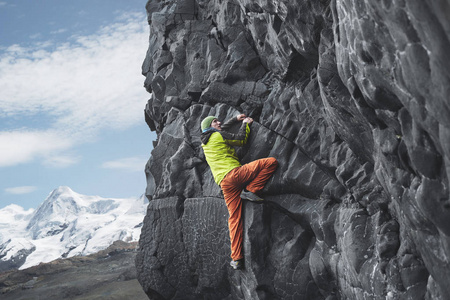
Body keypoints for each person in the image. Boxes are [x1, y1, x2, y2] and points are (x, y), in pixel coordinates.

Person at [201, 114, 278, 270]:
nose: (219, 122)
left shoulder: (206, 142)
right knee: (271, 162)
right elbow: (241, 139)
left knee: (234, 219)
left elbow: (222, 129)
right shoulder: (218, 135)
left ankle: (236, 258)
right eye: (216, 121)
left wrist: (235, 119)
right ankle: (251, 190)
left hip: (224, 184)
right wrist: (245, 123)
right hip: (235, 175)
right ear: (210, 125)